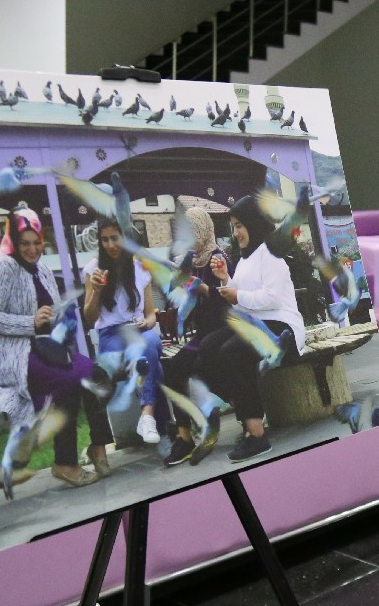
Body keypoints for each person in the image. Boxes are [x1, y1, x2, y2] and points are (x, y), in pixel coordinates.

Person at [0, 208, 114, 486]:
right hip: (13, 354)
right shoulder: (3, 268)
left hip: (47, 349)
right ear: (13, 242)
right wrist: (29, 321)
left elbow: (51, 312)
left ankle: (96, 446)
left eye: (36, 242)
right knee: (70, 382)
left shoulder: (43, 270)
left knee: (98, 377)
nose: (32, 249)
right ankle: (64, 462)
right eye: (25, 243)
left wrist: (62, 317)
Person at [170, 195, 305, 464]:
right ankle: (242, 406)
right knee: (207, 348)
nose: (236, 233)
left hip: (282, 327)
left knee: (233, 350)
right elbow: (241, 299)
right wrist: (225, 281)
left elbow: (271, 298)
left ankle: (257, 435)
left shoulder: (271, 254)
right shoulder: (245, 260)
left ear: (254, 223)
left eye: (240, 225)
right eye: (233, 227)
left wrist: (236, 294)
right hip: (254, 324)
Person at [82, 218, 167, 445]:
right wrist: (96, 292)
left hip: (137, 329)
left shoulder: (140, 268)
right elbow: (89, 318)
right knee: (153, 364)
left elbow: (151, 315)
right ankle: (160, 423)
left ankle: (146, 416)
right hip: (111, 335)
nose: (110, 245)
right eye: (105, 240)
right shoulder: (93, 270)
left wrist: (146, 323)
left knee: (150, 342)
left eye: (115, 238)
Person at [162, 206, 231, 465]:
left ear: (203, 229)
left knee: (198, 367)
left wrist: (200, 288)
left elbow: (227, 299)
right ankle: (184, 437)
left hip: (223, 329)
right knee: (173, 369)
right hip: (203, 333)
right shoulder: (192, 260)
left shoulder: (217, 257)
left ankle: (220, 417)